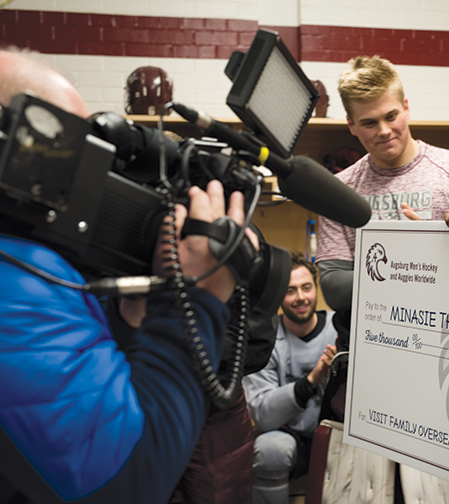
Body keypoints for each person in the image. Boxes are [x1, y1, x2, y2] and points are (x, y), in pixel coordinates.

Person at [0, 47, 256, 503]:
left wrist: (139, 313)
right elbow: (130, 483)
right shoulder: (13, 281)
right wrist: (195, 297)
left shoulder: (36, 263)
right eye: (75, 153)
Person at [315, 55, 449, 338]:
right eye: (369, 123)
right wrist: (413, 263)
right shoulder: (336, 191)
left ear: (406, 107)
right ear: (351, 124)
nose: (384, 131)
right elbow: (335, 288)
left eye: (391, 116)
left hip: (447, 340)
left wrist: (429, 251)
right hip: (368, 344)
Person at [242, 252, 338, 504]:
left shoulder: (338, 329)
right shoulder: (265, 337)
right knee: (270, 450)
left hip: (334, 431)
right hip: (287, 434)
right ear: (278, 296)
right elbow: (262, 413)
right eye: (290, 291)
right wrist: (311, 381)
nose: (301, 298)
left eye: (306, 288)